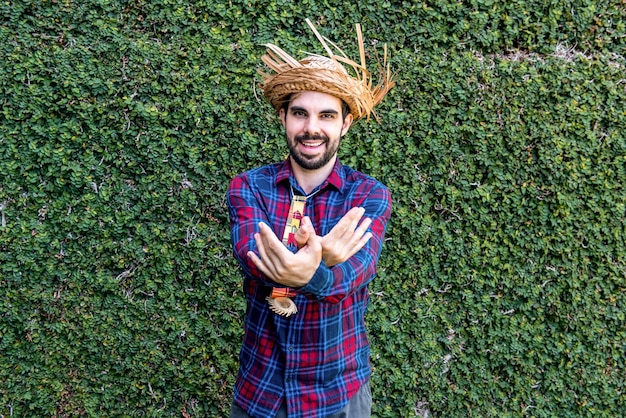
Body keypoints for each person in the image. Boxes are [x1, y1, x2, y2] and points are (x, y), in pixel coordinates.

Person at [226, 18, 395, 418]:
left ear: (345, 123)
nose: (311, 128)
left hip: (338, 392)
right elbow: (254, 259)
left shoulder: (369, 195)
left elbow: (354, 275)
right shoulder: (249, 187)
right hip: (262, 391)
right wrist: (321, 258)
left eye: (326, 116)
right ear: (283, 118)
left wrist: (309, 270)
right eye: (300, 113)